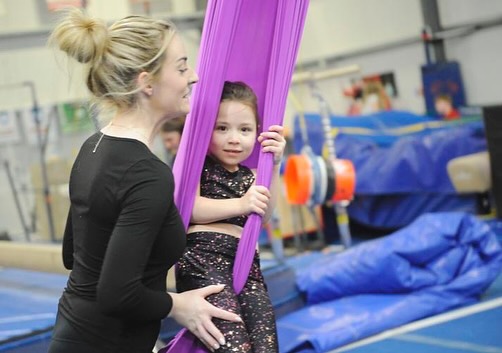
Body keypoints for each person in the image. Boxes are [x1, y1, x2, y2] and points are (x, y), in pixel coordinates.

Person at [47, 8, 242, 353]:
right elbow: (116, 293)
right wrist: (179, 305)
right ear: (146, 82)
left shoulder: (93, 148)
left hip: (76, 334)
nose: (194, 77)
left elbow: (73, 255)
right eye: (181, 67)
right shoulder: (147, 173)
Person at [176, 81, 286, 352]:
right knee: (233, 346)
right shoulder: (197, 165)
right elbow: (191, 210)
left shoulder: (252, 175)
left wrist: (275, 165)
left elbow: (265, 215)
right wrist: (241, 203)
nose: (234, 138)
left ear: (257, 133)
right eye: (222, 128)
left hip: (247, 264)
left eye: (245, 130)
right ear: (205, 131)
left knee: (266, 345)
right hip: (205, 260)